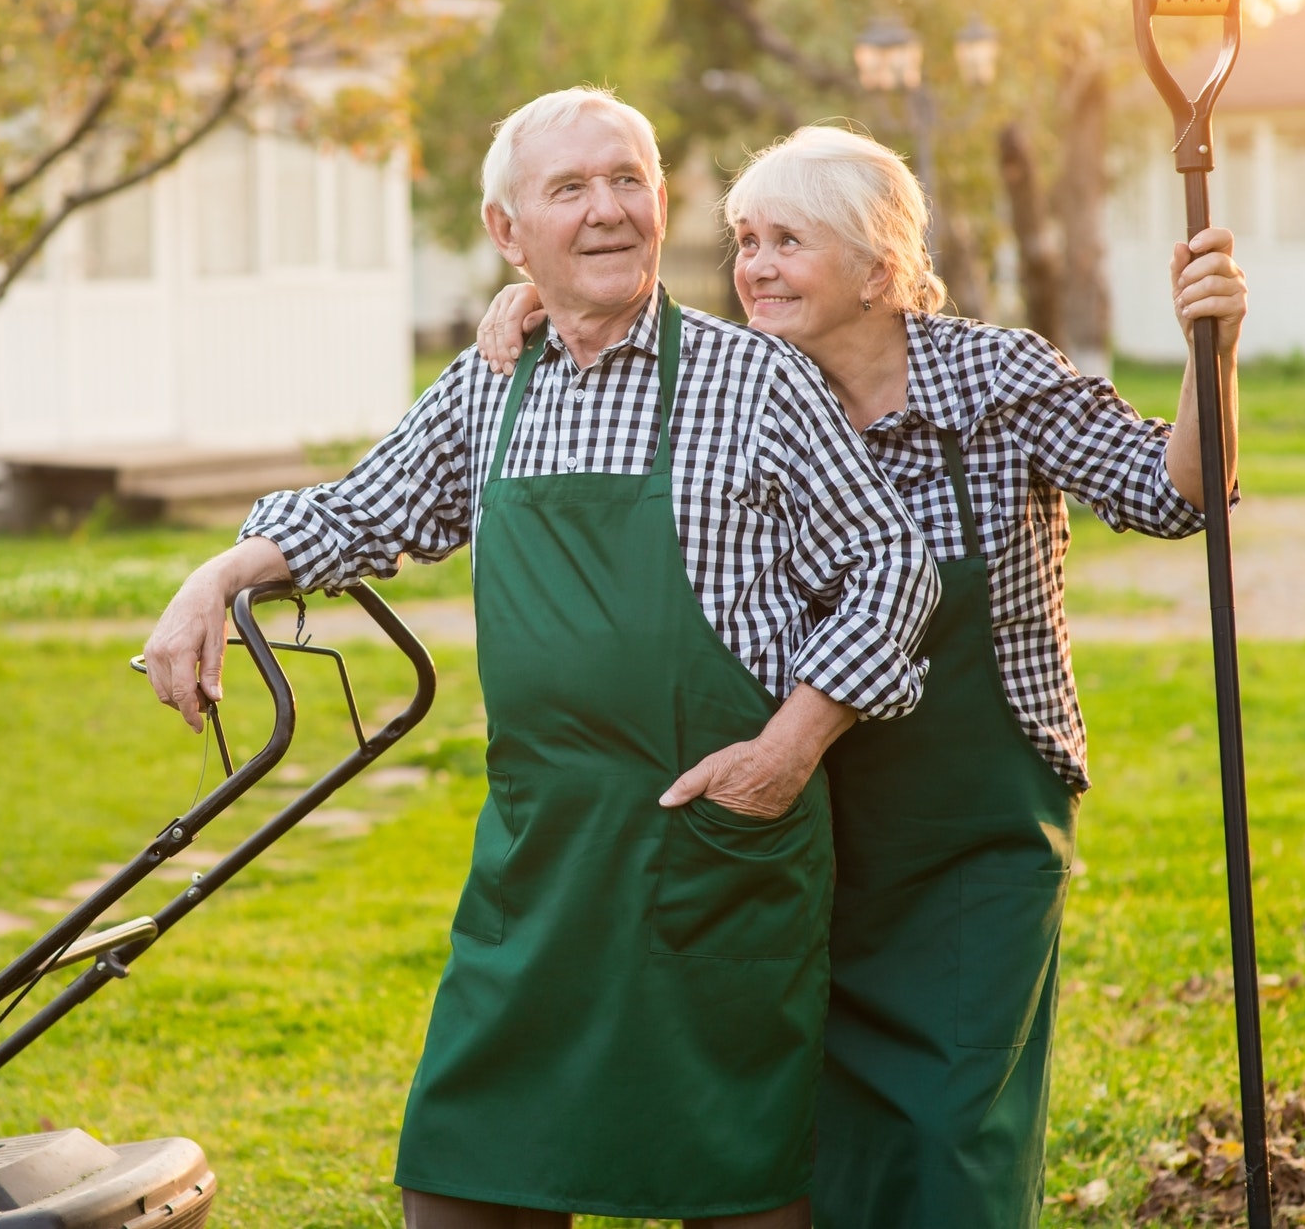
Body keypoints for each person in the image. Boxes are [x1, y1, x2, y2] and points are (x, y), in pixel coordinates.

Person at [142, 92, 938, 1229]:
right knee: (463, 1180)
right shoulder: (492, 383)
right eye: (569, 189)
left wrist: (788, 745)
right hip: (539, 864)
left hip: (711, 853)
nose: (608, 211)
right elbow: (367, 506)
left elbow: (892, 569)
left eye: (628, 181)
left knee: (737, 1189)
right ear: (507, 232)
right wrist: (216, 576)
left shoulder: (754, 381)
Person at [473, 123, 1248, 1229]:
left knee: (950, 1124)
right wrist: (533, 305)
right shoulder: (747, 383)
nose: (754, 268)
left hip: (975, 826)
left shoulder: (993, 377)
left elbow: (1176, 495)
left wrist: (1206, 353)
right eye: (744, 240)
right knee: (812, 1121)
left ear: (880, 267)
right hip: (811, 815)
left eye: (788, 241)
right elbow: (619, 335)